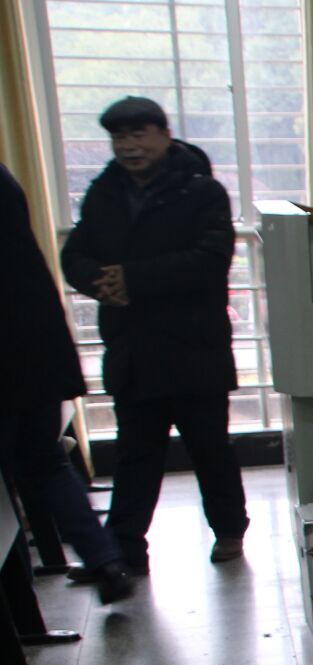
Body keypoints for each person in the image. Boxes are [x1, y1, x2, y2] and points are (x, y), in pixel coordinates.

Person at [60, 96, 249, 573]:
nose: (129, 146)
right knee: (134, 456)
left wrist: (133, 280)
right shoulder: (104, 192)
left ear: (164, 135)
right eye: (119, 137)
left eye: (138, 135)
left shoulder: (201, 191)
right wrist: (98, 282)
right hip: (133, 350)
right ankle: (123, 550)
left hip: (194, 349)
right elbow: (75, 253)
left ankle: (229, 530)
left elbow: (210, 260)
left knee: (210, 450)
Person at [0, 161, 134, 604]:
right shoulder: (5, 179)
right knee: (47, 463)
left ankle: (16, 604)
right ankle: (105, 560)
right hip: (38, 350)